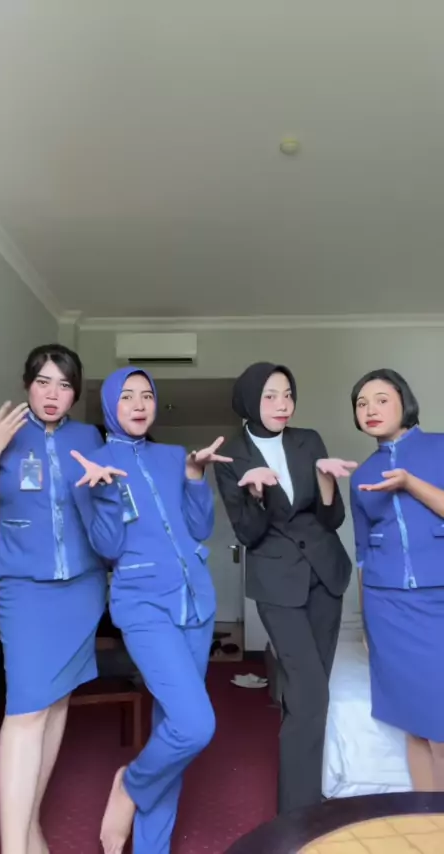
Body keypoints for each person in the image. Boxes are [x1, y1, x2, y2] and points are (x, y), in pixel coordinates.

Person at [71, 366, 231, 854]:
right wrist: (101, 491)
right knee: (195, 724)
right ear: (110, 405)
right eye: (127, 396)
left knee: (171, 729)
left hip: (196, 602)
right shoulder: (93, 464)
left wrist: (196, 477)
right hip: (142, 605)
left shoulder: (173, 456)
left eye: (146, 395)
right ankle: (130, 785)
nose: (139, 404)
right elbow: (107, 547)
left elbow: (199, 528)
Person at [0, 344, 110, 854]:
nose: (53, 394)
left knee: (55, 703)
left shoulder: (88, 438)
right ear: (27, 383)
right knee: (26, 710)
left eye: (64, 385)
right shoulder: (2, 434)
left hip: (83, 588)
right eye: (43, 382)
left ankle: (30, 828)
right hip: (24, 589)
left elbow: (105, 506)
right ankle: (14, 846)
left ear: (75, 393)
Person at [213, 362, 355, 815]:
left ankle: (301, 798)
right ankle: (299, 816)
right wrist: (254, 497)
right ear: (249, 400)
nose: (282, 404)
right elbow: (248, 534)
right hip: (277, 585)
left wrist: (327, 485)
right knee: (312, 694)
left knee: (304, 694)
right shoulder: (232, 455)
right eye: (271, 395)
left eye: (288, 394)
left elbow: (332, 519)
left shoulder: (308, 440)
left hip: (325, 576)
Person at [350, 368, 444, 792]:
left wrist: (409, 483)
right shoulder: (362, 474)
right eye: (361, 403)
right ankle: (425, 819)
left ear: (404, 402)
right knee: (414, 724)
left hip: (437, 601)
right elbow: (362, 553)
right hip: (387, 607)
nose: (370, 409)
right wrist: (365, 622)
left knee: (441, 727)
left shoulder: (440, 448)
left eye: (381, 399)